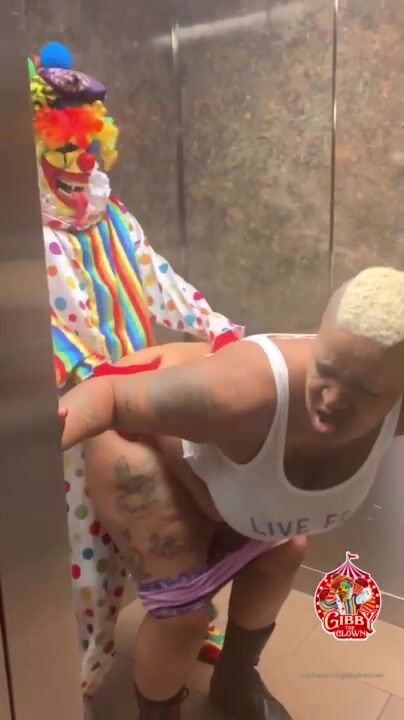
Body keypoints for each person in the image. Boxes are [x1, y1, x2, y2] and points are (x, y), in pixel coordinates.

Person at [59, 265, 404, 718]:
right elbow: (107, 396)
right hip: (140, 437)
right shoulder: (241, 390)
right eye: (326, 370)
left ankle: (235, 680)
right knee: (182, 617)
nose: (333, 399)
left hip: (222, 467)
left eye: (364, 389)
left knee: (284, 552)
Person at [29, 42, 244, 701]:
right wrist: (102, 384)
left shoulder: (112, 214)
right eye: (66, 148)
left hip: (147, 394)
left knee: (182, 519)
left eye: (90, 146)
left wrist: (214, 326)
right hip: (80, 415)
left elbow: (158, 280)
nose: (82, 162)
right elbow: (48, 331)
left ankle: (190, 618)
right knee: (90, 556)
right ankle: (84, 677)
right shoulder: (28, 236)